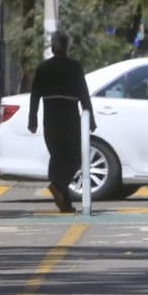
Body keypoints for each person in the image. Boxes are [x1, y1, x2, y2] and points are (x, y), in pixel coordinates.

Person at [28, 31, 95, 213]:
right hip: (69, 115)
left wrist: (32, 119)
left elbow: (35, 95)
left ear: (52, 46)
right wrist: (91, 119)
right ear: (66, 47)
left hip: (50, 116)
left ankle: (64, 201)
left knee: (57, 156)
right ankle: (58, 186)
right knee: (73, 157)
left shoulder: (44, 67)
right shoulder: (75, 67)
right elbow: (83, 93)